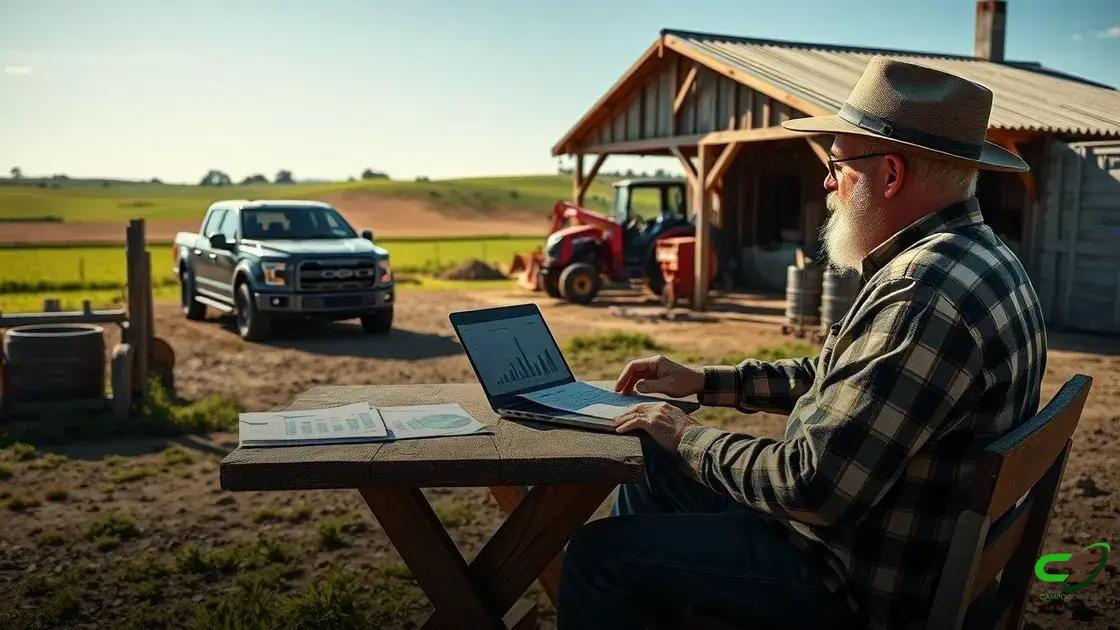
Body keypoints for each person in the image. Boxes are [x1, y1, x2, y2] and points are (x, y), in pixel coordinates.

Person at [558, 57, 1047, 630]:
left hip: (852, 582)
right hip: (885, 546)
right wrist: (710, 383)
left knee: (600, 556)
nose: (827, 180)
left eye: (837, 162)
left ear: (890, 175)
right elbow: (848, 380)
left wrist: (687, 432)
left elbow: (809, 484)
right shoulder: (984, 260)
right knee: (660, 468)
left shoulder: (922, 295)